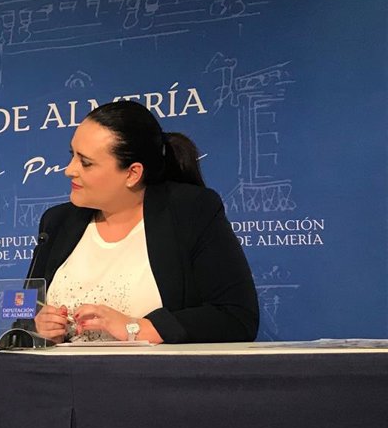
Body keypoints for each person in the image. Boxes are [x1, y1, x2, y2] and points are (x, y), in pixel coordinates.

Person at [27, 100, 258, 344]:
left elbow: (236, 317)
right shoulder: (57, 222)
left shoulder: (190, 211)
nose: (69, 170)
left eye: (85, 162)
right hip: (63, 369)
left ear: (132, 173)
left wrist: (136, 328)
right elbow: (22, 316)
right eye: (72, 155)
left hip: (153, 369)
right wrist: (37, 327)